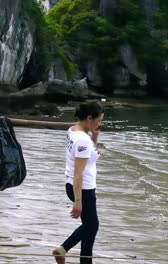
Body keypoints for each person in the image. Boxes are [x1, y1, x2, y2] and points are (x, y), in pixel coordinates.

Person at [53, 101, 104, 264]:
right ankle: (63, 249)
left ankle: (68, 253)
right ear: (89, 118)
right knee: (91, 227)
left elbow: (88, 156)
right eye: (99, 120)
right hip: (82, 189)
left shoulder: (73, 130)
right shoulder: (82, 140)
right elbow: (79, 173)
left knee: (90, 229)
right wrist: (78, 201)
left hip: (76, 186)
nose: (100, 124)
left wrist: (94, 137)